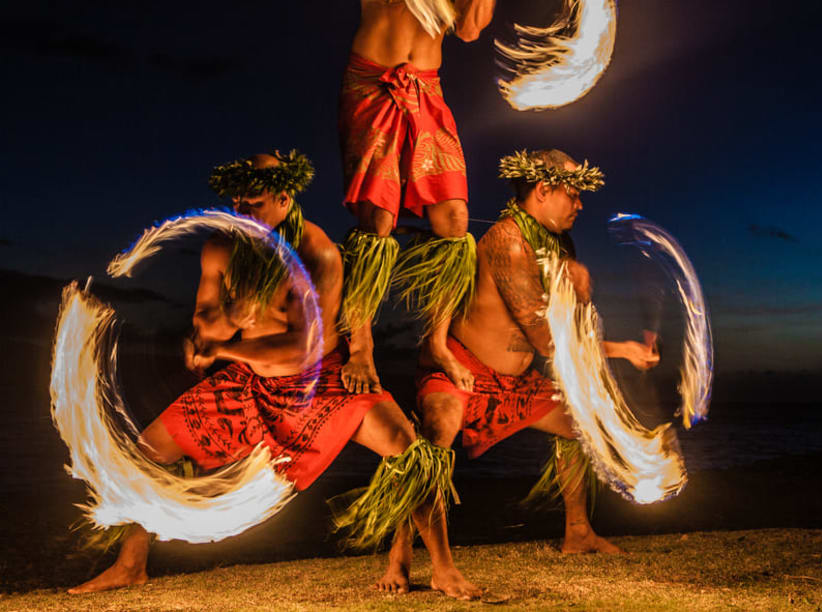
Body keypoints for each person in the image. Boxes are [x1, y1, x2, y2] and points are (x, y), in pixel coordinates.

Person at [69, 151, 478, 600]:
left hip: (323, 383)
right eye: (238, 204)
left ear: (285, 198)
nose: (243, 213)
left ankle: (442, 568)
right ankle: (130, 565)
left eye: (255, 204)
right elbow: (205, 320)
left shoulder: (316, 253)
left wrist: (224, 346)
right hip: (250, 382)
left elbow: (300, 350)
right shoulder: (222, 248)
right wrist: (228, 319)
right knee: (147, 451)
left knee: (410, 451)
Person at [381, 149, 661, 579]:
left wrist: (579, 292)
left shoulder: (557, 242)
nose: (580, 204)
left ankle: (578, 532)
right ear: (543, 190)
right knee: (433, 442)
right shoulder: (509, 242)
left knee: (576, 424)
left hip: (512, 384)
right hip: (460, 370)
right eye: (573, 193)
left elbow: (566, 319)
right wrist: (622, 349)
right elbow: (548, 341)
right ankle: (407, 558)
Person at [338, 0, 497, 395]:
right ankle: (361, 344)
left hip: (427, 88)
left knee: (455, 221)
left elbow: (470, 29)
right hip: (372, 84)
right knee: (377, 218)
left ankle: (436, 344)